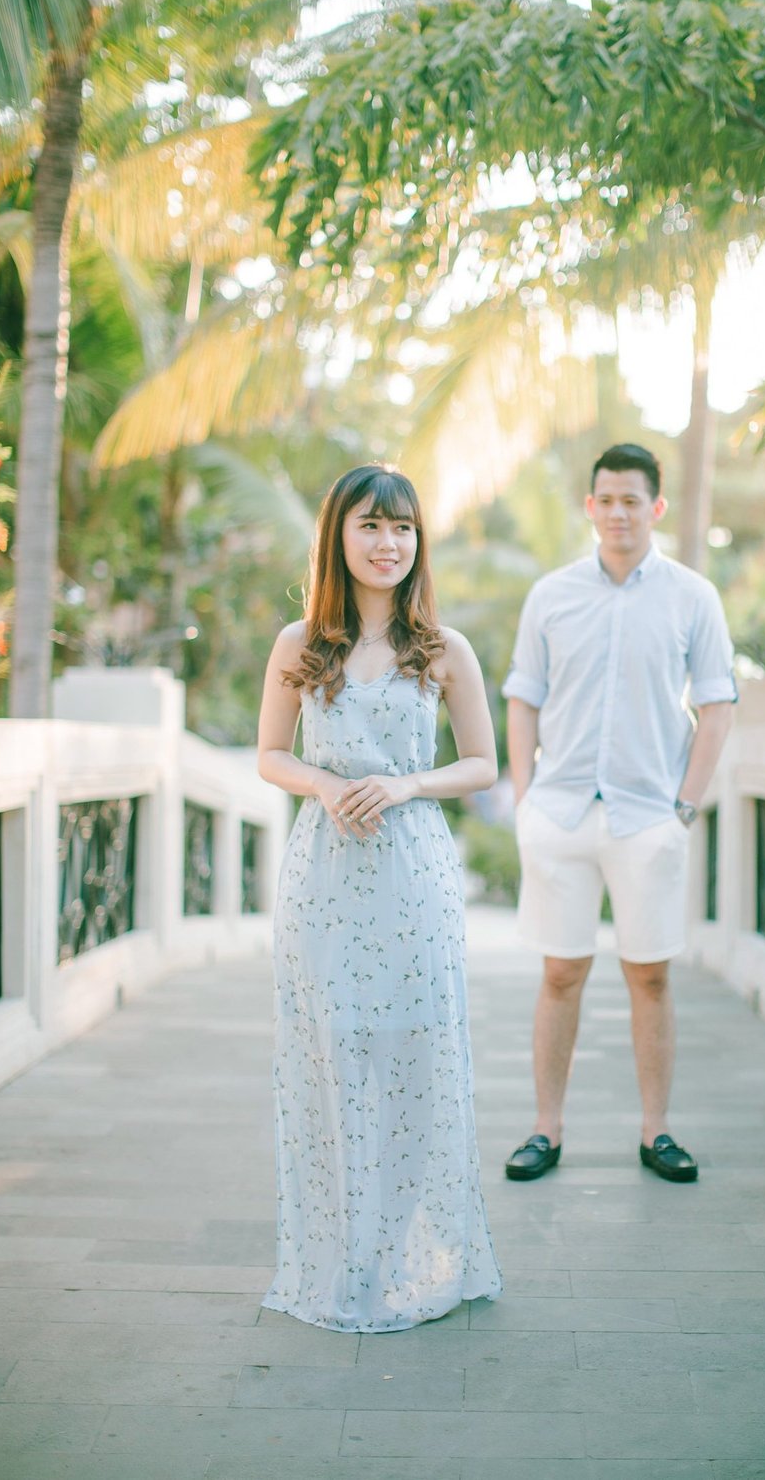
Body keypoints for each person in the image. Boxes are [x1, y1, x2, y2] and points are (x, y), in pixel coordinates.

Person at [257, 463, 503, 1332]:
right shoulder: (301, 644)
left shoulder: (444, 649)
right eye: (370, 525)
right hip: (323, 878)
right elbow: (269, 756)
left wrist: (405, 787)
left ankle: (394, 1255)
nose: (388, 543)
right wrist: (323, 784)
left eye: (403, 529)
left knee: (410, 1063)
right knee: (330, 1059)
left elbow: (484, 764)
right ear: (339, 535)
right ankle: (339, 1259)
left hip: (414, 877)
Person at [502, 443, 736, 1184]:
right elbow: (522, 697)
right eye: (605, 499)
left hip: (647, 819)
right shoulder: (551, 594)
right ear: (590, 507)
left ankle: (656, 1131)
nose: (617, 512)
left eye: (632, 500)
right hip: (561, 812)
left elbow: (718, 703)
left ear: (655, 508)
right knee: (560, 972)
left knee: (651, 978)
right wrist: (523, 801)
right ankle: (545, 1129)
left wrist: (685, 809)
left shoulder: (693, 596)